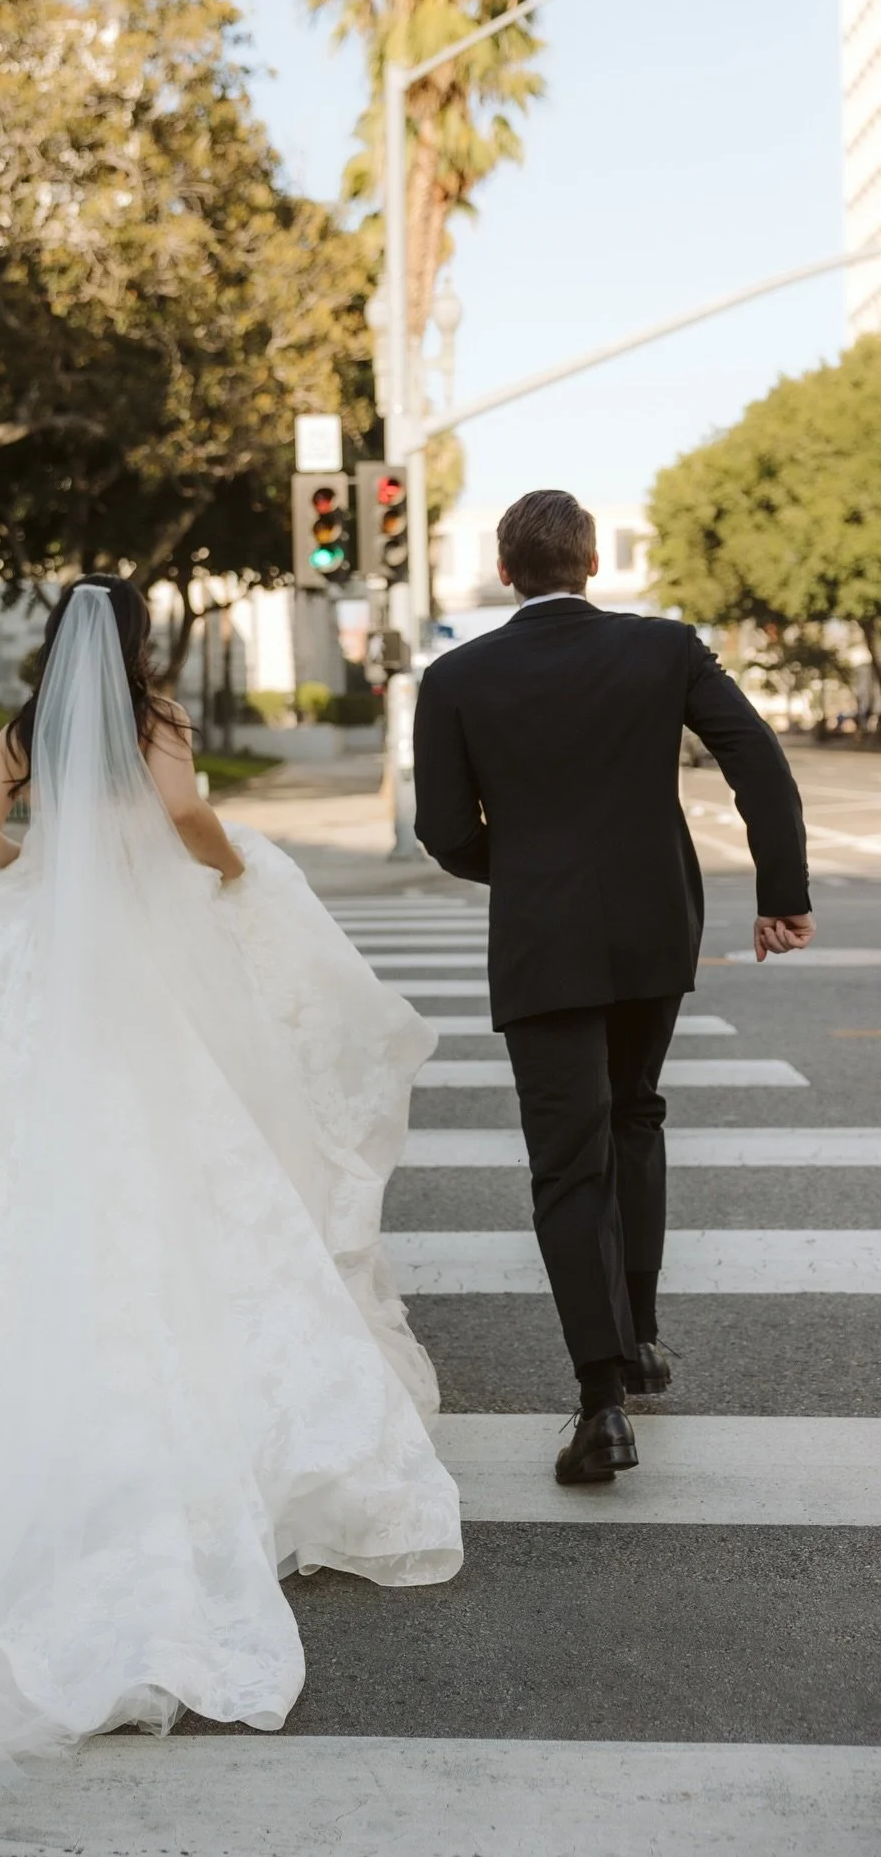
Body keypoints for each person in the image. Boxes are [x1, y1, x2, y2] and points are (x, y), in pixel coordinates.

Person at [0, 576, 462, 1848]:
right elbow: (189, 818)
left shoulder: (22, 726)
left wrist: (51, 862)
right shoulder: (155, 720)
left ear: (54, 646)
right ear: (139, 645)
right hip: (146, 958)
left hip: (41, 959)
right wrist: (217, 870)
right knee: (183, 1148)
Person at [413, 489, 812, 1487]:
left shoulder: (457, 676)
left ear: (506, 571)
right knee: (636, 1114)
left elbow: (445, 831)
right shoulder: (666, 649)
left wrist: (537, 871)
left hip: (545, 938)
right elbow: (755, 759)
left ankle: (602, 1399)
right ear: (591, 563)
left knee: (566, 1164)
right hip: (652, 927)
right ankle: (638, 1335)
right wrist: (782, 891)